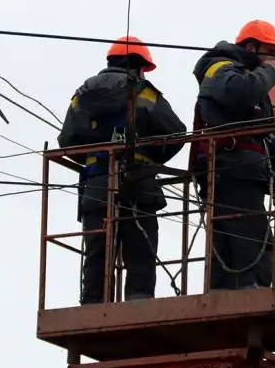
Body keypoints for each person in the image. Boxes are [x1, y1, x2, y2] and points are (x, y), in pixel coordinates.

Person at [57, 36, 186, 305]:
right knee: (140, 252)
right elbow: (176, 132)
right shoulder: (143, 92)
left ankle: (92, 306)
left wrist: (95, 158)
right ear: (138, 65)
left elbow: (67, 140)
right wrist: (152, 156)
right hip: (138, 184)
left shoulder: (82, 94)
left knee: (96, 252)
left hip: (97, 187)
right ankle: (139, 305)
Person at [189, 19, 275, 291]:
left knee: (233, 238)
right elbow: (238, 94)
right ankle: (251, 291)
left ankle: (227, 293)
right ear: (251, 47)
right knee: (252, 240)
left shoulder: (246, 77)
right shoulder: (221, 68)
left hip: (240, 169)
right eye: (271, 52)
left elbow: (258, 129)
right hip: (232, 168)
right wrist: (268, 72)